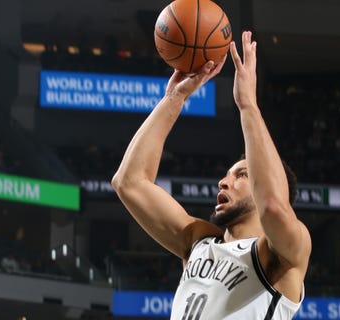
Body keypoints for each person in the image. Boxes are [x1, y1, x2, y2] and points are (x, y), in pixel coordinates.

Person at [112, 31, 311, 319]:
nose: (224, 181)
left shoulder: (282, 255)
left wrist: (248, 106)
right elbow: (129, 182)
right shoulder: (199, 242)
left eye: (241, 175)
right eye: (227, 174)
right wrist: (174, 98)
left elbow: (273, 206)